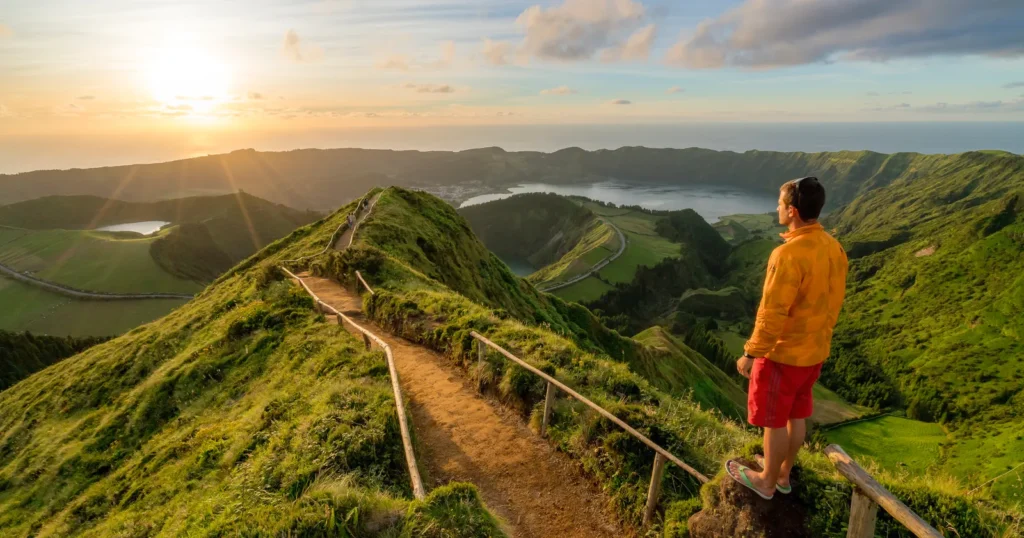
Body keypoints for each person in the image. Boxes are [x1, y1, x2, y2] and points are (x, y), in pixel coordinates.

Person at [725, 176, 848, 500]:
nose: (776, 208)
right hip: (815, 353)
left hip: (783, 355)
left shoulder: (788, 255)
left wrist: (751, 354)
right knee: (797, 415)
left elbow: (772, 312)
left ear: (792, 211)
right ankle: (782, 473)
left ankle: (766, 481)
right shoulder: (834, 248)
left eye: (779, 204)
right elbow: (834, 301)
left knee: (773, 421)